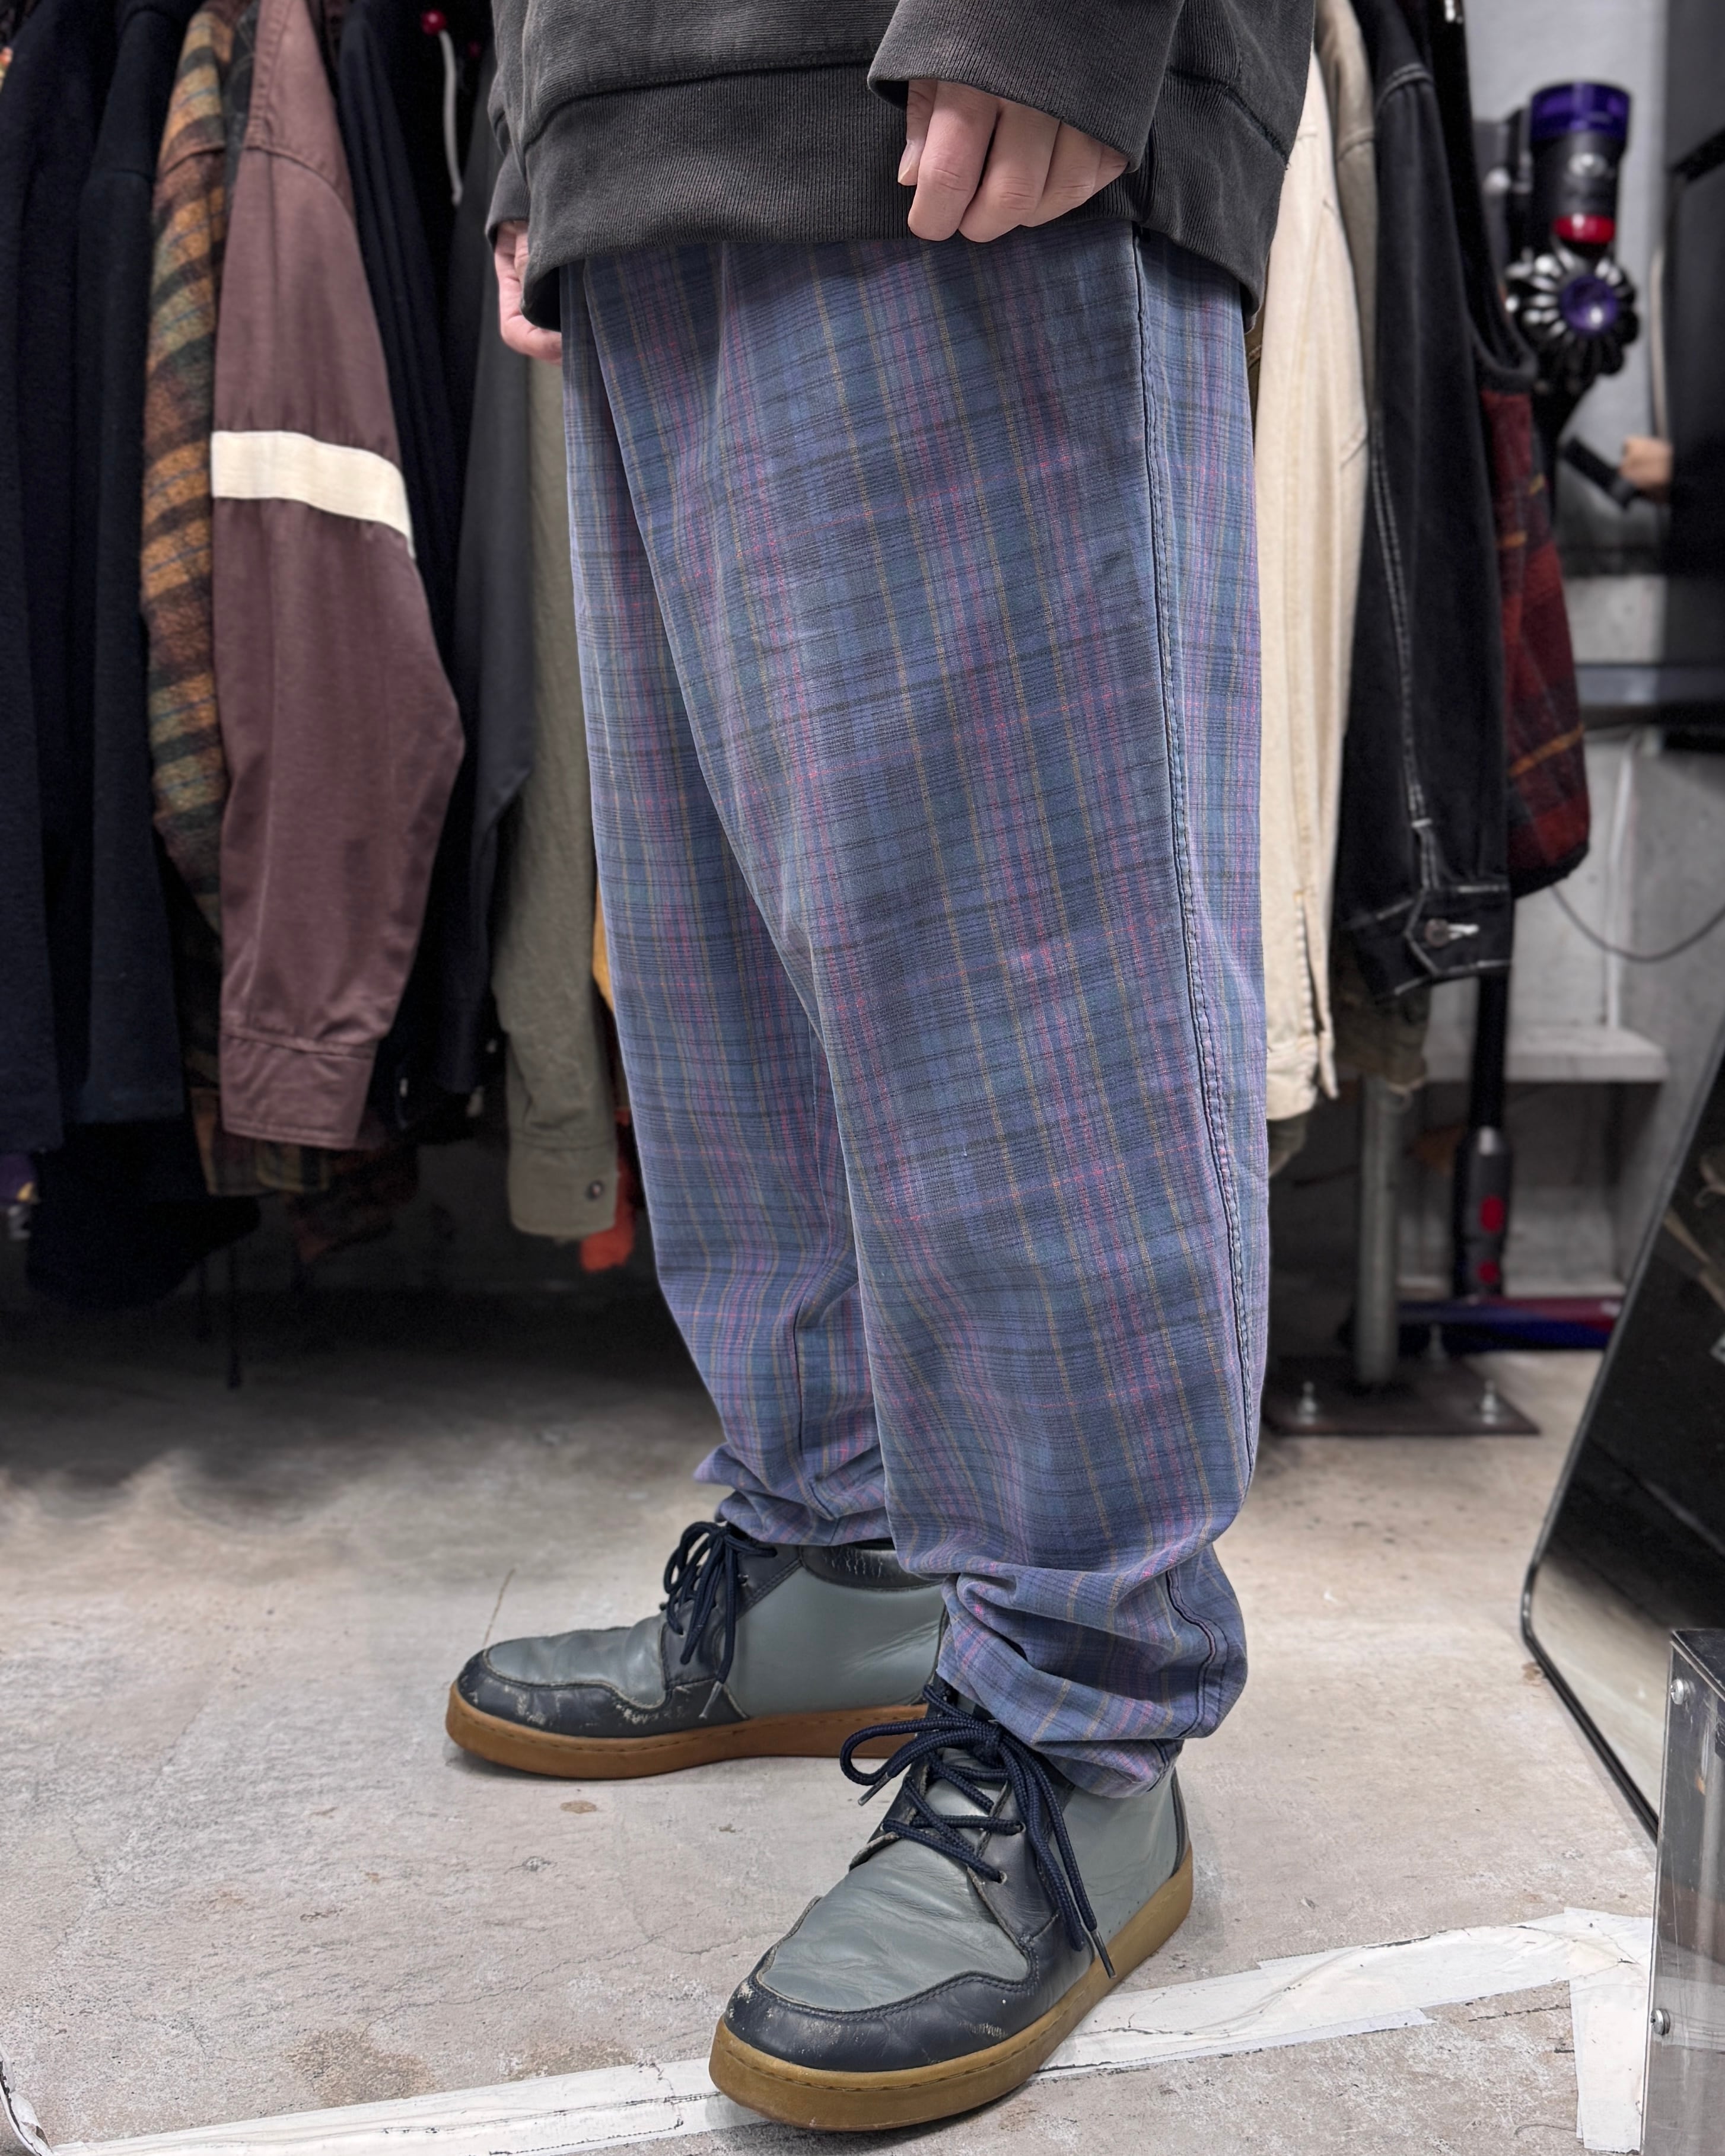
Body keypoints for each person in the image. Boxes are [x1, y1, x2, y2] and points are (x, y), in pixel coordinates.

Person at [446, 9, 1309, 2130]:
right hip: (647, 133)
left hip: (935, 98)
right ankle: (837, 1558)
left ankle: (1084, 1719)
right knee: (728, 970)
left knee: (1024, 975)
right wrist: (535, 124)